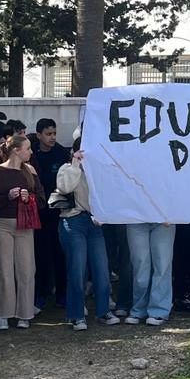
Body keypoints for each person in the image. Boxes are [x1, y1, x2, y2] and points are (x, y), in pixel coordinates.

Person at [52, 134, 118, 331]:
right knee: (77, 268)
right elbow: (65, 187)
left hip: (94, 222)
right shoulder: (66, 168)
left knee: (101, 268)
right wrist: (76, 164)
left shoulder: (99, 171)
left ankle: (103, 311)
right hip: (72, 221)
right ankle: (76, 315)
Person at [0, 134, 42, 330]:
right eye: (27, 148)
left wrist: (30, 198)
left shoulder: (30, 170)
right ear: (16, 150)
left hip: (25, 224)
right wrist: (7, 198)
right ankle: (3, 313)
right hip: (1, 223)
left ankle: (25, 313)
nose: (30, 152)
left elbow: (42, 198)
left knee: (26, 268)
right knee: (3, 268)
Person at [30, 118, 72, 309]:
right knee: (40, 254)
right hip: (38, 212)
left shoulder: (61, 153)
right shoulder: (32, 155)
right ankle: (40, 293)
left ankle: (62, 293)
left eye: (54, 133)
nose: (52, 137)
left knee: (60, 253)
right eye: (48, 134)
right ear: (39, 135)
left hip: (58, 212)